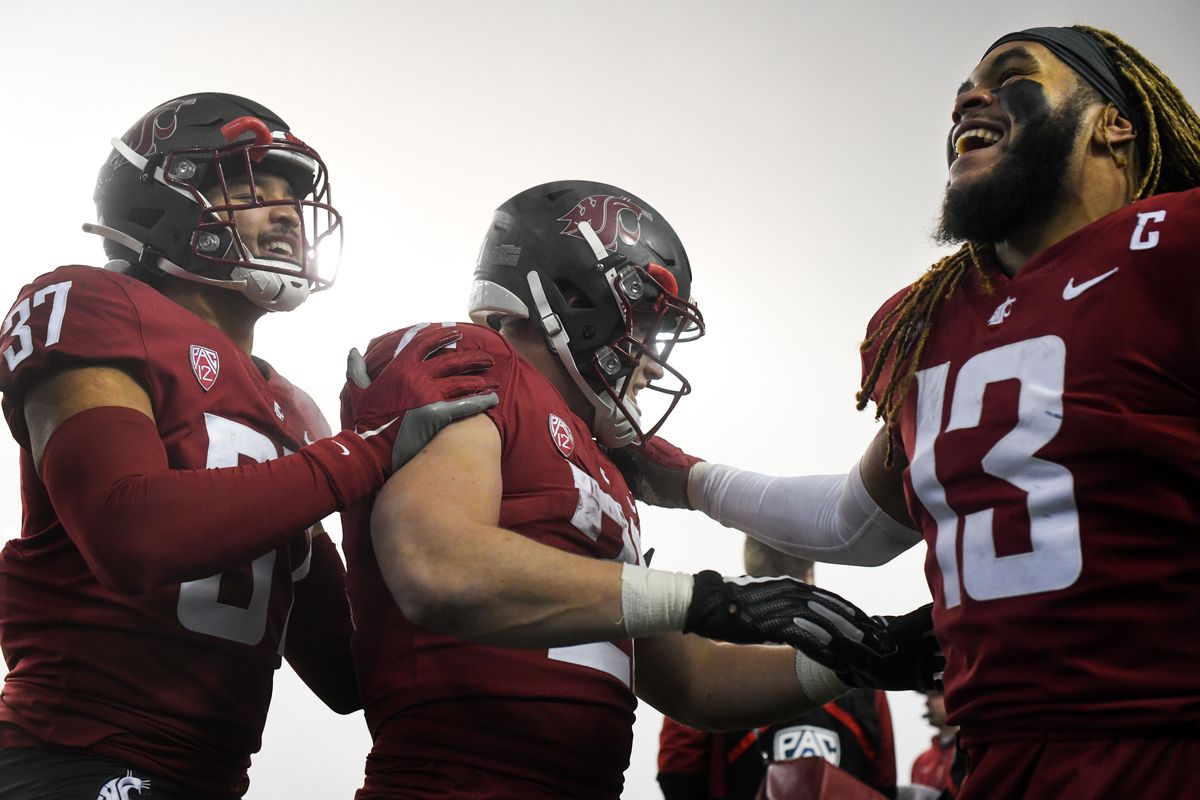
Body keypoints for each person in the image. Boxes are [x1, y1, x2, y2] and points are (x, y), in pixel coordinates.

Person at [616, 25, 1200, 799]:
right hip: (996, 757)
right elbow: (857, 523)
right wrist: (690, 481)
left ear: (1114, 121)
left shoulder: (1177, 244)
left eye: (1011, 73)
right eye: (965, 83)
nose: (967, 96)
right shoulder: (931, 319)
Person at [338, 180, 942, 799]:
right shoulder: (476, 363)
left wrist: (869, 653)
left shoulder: (602, 464)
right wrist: (705, 598)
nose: (650, 363)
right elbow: (441, 568)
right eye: (644, 328)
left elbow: (693, 683)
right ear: (574, 296)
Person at [0, 93, 495, 800]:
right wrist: (363, 454)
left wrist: (418, 508)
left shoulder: (292, 409)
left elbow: (344, 669)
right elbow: (127, 530)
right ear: (160, 197)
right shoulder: (93, 301)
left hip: (211, 781)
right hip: (70, 758)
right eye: (252, 185)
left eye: (294, 197)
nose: (286, 213)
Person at [656, 537, 897, 799]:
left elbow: (677, 770)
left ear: (751, 577)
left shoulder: (712, 660)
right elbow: (884, 783)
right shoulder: (860, 663)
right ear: (809, 574)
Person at [908, 692, 959, 799]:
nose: (927, 702)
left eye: (935, 695)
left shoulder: (972, 752)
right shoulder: (920, 761)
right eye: (927, 696)